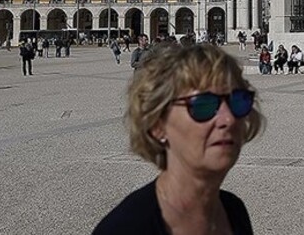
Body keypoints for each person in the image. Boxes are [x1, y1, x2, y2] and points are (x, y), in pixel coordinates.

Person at [93, 43, 260, 234]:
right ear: (157, 125)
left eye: (237, 101)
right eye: (203, 105)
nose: (228, 119)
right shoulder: (125, 229)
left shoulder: (233, 211)